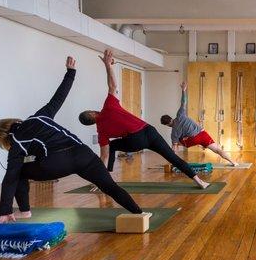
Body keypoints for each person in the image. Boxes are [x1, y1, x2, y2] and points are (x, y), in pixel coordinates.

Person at [0, 56, 144, 224]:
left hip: (57, 162)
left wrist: (4, 210)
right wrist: (71, 73)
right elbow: (58, 98)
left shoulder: (16, 143)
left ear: (4, 137)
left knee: (18, 172)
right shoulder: (40, 116)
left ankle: (25, 211)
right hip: (83, 154)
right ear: (12, 121)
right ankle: (139, 214)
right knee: (110, 187)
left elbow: (10, 177)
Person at [78, 50, 209, 189]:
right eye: (91, 111)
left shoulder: (101, 132)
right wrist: (108, 66)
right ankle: (199, 181)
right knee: (173, 158)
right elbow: (113, 86)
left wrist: (100, 180)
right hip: (149, 131)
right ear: (92, 114)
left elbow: (104, 157)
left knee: (113, 146)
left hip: (136, 141)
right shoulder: (108, 106)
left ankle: (108, 179)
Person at [160, 82, 238, 166]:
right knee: (217, 150)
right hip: (202, 134)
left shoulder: (174, 132)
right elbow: (183, 102)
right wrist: (183, 90)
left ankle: (177, 161)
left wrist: (172, 157)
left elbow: (175, 148)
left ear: (167, 125)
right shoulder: (180, 114)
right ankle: (233, 162)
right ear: (171, 118)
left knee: (177, 142)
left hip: (192, 140)